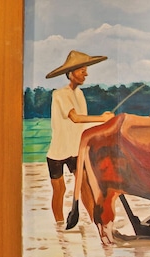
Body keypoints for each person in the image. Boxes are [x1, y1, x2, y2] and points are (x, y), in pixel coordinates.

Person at [45, 50, 114, 228]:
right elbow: (75, 118)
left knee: (84, 185)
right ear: (71, 73)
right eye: (82, 71)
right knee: (60, 190)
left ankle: (95, 224)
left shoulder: (80, 94)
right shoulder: (59, 94)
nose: (86, 74)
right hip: (58, 151)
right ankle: (59, 226)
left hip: (76, 149)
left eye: (86, 70)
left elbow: (83, 124)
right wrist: (102, 118)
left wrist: (103, 125)